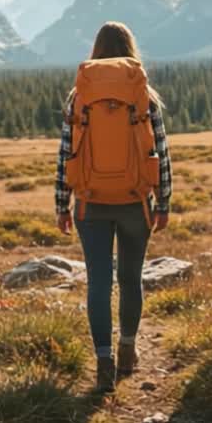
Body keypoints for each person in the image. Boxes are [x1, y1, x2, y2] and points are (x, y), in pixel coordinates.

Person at [55, 21, 172, 393]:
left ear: (96, 50)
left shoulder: (79, 96)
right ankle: (127, 349)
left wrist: (62, 203)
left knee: (99, 282)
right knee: (131, 278)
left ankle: (103, 359)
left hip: (90, 202)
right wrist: (164, 201)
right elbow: (160, 151)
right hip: (135, 201)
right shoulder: (144, 96)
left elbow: (66, 152)